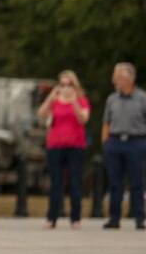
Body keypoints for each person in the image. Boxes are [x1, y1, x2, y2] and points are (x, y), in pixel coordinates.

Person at [38, 70, 90, 229]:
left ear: (75, 86)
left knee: (74, 182)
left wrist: (73, 101)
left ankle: (75, 218)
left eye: (69, 84)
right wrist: (51, 96)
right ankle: (51, 217)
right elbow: (41, 115)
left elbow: (83, 119)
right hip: (55, 145)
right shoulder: (54, 101)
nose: (65, 88)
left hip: (75, 146)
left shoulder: (81, 101)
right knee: (56, 182)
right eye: (62, 84)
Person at [100, 62, 146, 229]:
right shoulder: (112, 99)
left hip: (136, 142)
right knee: (114, 182)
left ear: (128, 79)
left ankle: (139, 217)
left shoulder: (142, 98)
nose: (114, 81)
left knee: (136, 182)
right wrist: (106, 143)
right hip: (114, 142)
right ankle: (114, 217)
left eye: (117, 77)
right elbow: (106, 122)